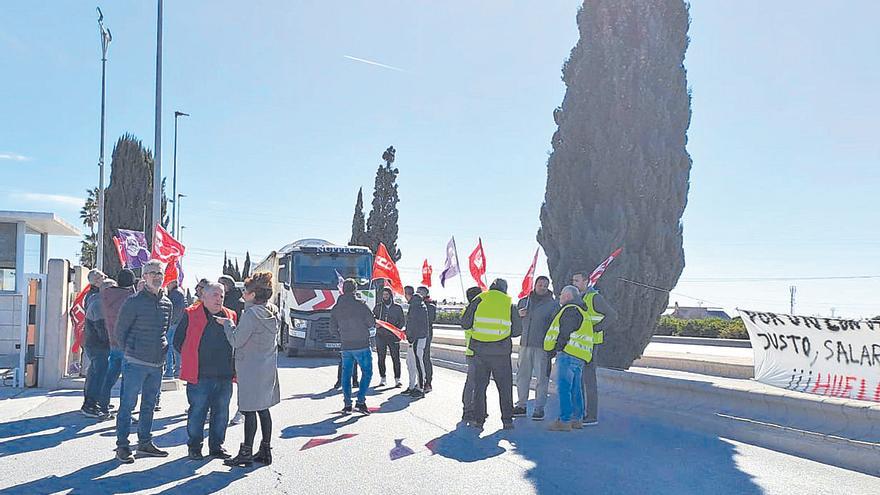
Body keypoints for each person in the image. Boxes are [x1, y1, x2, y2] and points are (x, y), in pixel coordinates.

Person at [113, 260, 173, 463]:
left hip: (157, 364)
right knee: (127, 405)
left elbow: (164, 330)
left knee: (149, 405)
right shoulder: (133, 302)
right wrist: (132, 351)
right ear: (144, 277)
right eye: (152, 272)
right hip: (135, 362)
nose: (157, 276)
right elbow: (120, 332)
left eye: (160, 272)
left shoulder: (167, 303)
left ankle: (145, 443)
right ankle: (122, 446)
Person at [219, 272, 281, 467]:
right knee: (263, 409)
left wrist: (228, 325)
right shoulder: (273, 310)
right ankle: (265, 449)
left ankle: (246, 451)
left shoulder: (251, 314)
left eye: (245, 291)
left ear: (253, 295)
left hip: (250, 368)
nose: (242, 294)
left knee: (248, 409)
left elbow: (237, 340)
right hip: (267, 366)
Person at [174, 282, 237, 460]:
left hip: (224, 375)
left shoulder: (231, 315)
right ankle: (194, 447)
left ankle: (217, 446)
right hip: (199, 375)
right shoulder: (191, 313)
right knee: (198, 411)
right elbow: (178, 342)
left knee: (222, 412)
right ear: (204, 297)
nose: (220, 298)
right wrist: (192, 357)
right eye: (215, 295)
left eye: (222, 295)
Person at [460, 278, 522, 430]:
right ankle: (507, 420)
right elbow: (517, 332)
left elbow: (465, 323)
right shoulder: (509, 303)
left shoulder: (479, 299)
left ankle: (478, 420)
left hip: (480, 353)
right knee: (505, 388)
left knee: (480, 388)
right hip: (501, 353)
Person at [545, 285, 600, 431]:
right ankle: (577, 419)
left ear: (569, 296)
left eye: (562, 294)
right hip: (580, 356)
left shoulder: (570, 310)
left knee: (564, 388)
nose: (559, 297)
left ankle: (564, 421)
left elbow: (565, 331)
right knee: (576, 389)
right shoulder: (583, 312)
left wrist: (559, 348)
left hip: (568, 354)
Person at [570, 271, 618, 426]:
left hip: (591, 344)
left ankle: (591, 416)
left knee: (589, 379)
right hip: (578, 344)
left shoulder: (594, 297)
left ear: (586, 281)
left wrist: (595, 329)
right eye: (573, 281)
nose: (574, 283)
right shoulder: (577, 299)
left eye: (577, 280)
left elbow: (611, 315)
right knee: (578, 379)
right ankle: (580, 413)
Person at [514, 276, 557, 421]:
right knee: (522, 377)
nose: (543, 287)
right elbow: (513, 322)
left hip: (542, 348)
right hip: (525, 345)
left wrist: (552, 347)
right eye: (540, 285)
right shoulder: (524, 301)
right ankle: (521, 405)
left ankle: (539, 408)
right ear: (535, 285)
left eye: (545, 285)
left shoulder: (553, 304)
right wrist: (518, 316)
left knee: (541, 379)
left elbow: (555, 326)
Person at [329, 279, 375, 414]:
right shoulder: (361, 305)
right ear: (355, 290)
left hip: (346, 346)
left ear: (343, 290)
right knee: (367, 372)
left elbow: (332, 329)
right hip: (362, 344)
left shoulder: (337, 307)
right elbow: (371, 323)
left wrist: (342, 337)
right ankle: (360, 401)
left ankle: (347, 404)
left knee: (346, 375)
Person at [98, 269, 136, 416]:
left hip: (113, 341)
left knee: (110, 376)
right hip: (128, 344)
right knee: (127, 382)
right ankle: (125, 412)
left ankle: (103, 406)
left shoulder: (106, 295)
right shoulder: (130, 298)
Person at [81, 278, 117, 419]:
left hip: (95, 344)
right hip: (98, 346)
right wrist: (113, 341)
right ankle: (90, 404)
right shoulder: (99, 304)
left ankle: (94, 402)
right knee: (98, 375)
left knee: (95, 373)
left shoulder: (99, 302)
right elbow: (103, 330)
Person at [372, 287, 405, 387]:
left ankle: (397, 380)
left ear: (391, 295)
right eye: (383, 295)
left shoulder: (397, 308)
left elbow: (402, 321)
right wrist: (375, 324)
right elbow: (372, 318)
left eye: (387, 294)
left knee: (396, 358)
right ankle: (383, 379)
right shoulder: (378, 307)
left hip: (393, 337)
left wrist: (396, 330)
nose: (385, 296)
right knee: (381, 358)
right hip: (380, 336)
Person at [402, 286, 429, 399]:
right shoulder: (417, 303)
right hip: (414, 337)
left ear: (407, 294)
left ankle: (420, 387)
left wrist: (410, 335)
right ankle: (412, 386)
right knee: (410, 362)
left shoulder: (416, 305)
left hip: (417, 338)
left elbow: (414, 323)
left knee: (418, 362)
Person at [460, 286, 482, 423]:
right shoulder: (471, 311)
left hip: (475, 352)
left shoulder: (469, 310)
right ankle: (468, 409)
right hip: (474, 352)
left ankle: (475, 408)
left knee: (476, 383)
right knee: (472, 383)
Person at [416, 286, 437, 393]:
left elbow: (430, 320)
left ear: (425, 293)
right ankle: (419, 380)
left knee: (425, 358)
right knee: (417, 358)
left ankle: (428, 382)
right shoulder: (416, 304)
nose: (417, 294)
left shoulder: (430, 305)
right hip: (417, 334)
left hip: (426, 334)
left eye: (420, 292)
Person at [164, 280, 186, 378]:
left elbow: (174, 311)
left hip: (172, 324)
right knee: (175, 348)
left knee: (168, 347)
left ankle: (170, 370)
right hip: (177, 324)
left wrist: (168, 323)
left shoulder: (175, 294)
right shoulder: (178, 293)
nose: (166, 285)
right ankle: (177, 369)